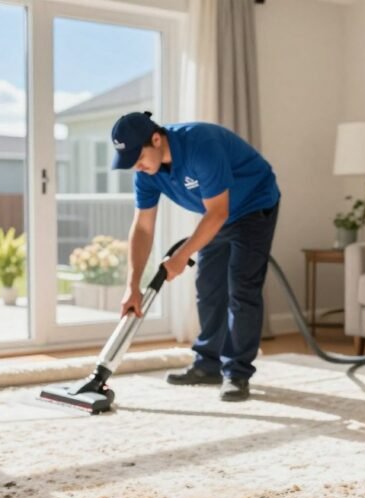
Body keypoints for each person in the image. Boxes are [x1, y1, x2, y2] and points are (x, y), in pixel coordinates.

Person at [111, 111, 280, 402]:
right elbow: (142, 227)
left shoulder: (201, 145)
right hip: (218, 213)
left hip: (253, 204)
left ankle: (237, 373)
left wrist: (181, 255)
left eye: (138, 157)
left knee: (241, 287)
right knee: (208, 287)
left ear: (156, 139)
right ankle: (208, 365)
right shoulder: (146, 174)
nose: (136, 167)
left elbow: (218, 212)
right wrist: (132, 285)